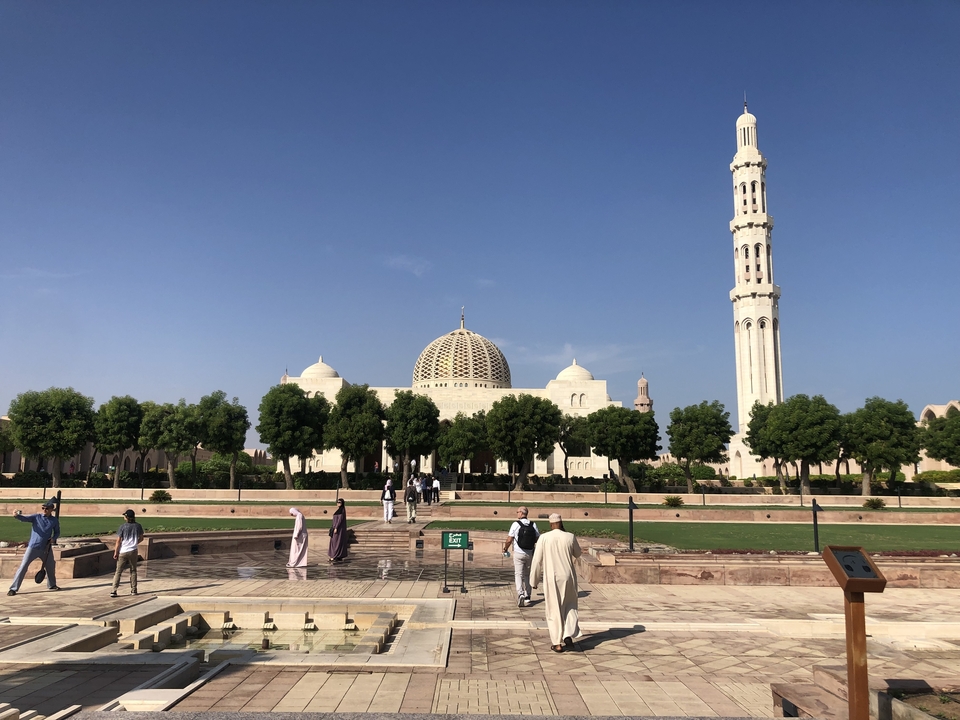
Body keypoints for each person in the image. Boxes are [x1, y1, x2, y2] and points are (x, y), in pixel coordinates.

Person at [530, 512, 582, 653]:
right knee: (570, 606)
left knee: (554, 609)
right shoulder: (570, 536)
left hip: (552, 577)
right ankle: (568, 635)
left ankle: (557, 642)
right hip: (568, 576)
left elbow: (536, 561)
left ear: (551, 524)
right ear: (561, 522)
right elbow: (578, 553)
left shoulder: (544, 538)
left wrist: (533, 580)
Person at [7, 499, 61, 596]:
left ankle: (52, 585)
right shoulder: (37, 517)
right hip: (33, 547)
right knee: (23, 566)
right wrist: (17, 516)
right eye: (43, 508)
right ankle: (13, 589)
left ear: (51, 510)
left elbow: (57, 532)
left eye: (47, 508)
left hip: (46, 548)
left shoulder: (54, 520)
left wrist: (53, 539)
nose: (44, 509)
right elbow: (25, 519)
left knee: (50, 565)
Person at [502, 506, 540, 607]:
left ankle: (520, 594)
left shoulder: (515, 524)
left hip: (518, 553)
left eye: (517, 512)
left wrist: (505, 548)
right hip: (529, 553)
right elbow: (537, 538)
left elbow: (509, 539)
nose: (517, 513)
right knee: (528, 575)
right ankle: (528, 596)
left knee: (518, 574)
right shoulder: (533, 524)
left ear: (521, 513)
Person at [111, 509, 144, 597]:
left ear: (126, 517)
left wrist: (116, 552)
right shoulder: (138, 526)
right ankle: (134, 590)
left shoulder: (122, 527)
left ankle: (114, 590)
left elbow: (118, 541)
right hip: (133, 550)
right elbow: (141, 538)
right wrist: (135, 543)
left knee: (118, 571)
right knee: (133, 571)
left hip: (123, 551)